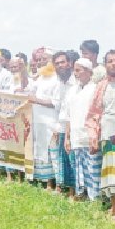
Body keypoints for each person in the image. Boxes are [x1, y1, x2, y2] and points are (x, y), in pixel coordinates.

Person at [86, 50, 115, 218]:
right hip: (107, 130)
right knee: (110, 170)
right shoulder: (101, 86)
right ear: (105, 65)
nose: (113, 63)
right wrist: (93, 135)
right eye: (110, 61)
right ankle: (113, 205)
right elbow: (94, 112)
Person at [61, 58, 100, 200]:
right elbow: (68, 116)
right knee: (79, 166)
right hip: (76, 135)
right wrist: (67, 137)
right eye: (75, 70)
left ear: (89, 72)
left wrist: (95, 134)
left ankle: (95, 197)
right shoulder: (72, 90)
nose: (76, 73)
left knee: (93, 167)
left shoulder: (95, 89)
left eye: (79, 70)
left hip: (90, 135)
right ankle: (82, 194)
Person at [26, 50, 63, 187]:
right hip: (38, 120)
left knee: (52, 152)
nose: (41, 62)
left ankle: (57, 184)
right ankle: (45, 181)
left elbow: (56, 102)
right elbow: (28, 89)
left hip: (51, 121)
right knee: (41, 150)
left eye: (45, 59)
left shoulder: (56, 78)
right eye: (39, 59)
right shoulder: (40, 77)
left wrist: (36, 100)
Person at [49, 51, 76, 193]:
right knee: (62, 160)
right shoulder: (58, 83)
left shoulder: (76, 82)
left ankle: (74, 191)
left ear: (69, 63)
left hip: (74, 128)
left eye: (62, 62)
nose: (60, 65)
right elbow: (56, 106)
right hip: (60, 127)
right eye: (57, 63)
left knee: (73, 161)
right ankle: (65, 188)